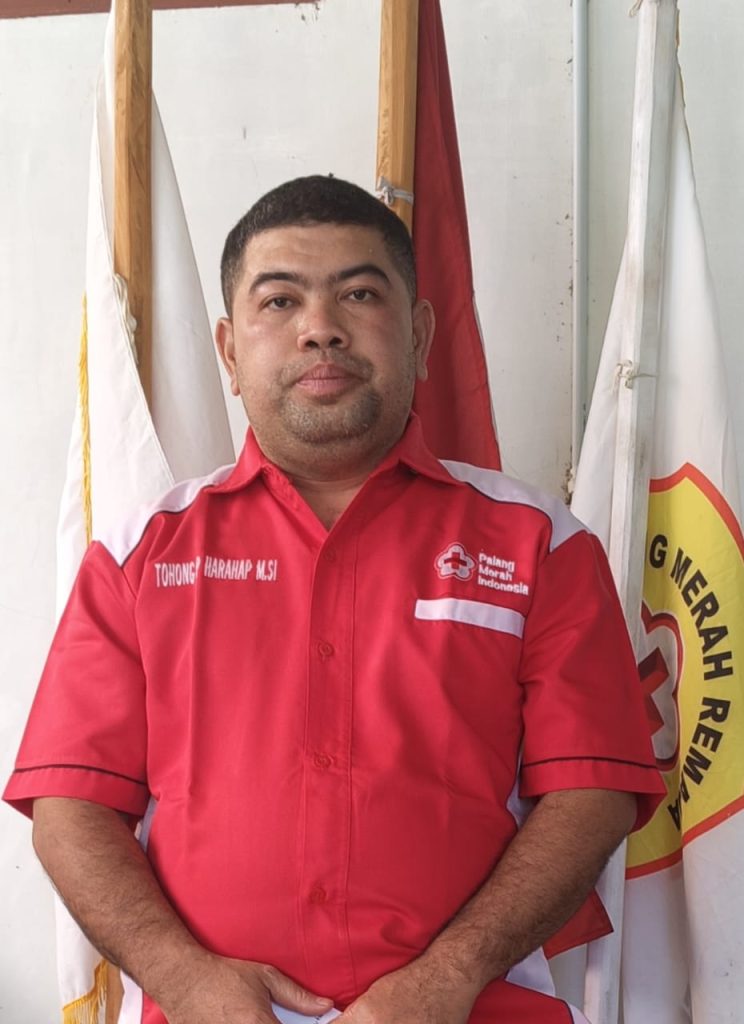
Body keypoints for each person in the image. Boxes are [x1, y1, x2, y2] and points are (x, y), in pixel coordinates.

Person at [4, 175, 663, 1024]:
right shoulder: (140, 557)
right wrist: (187, 980)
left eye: (359, 293)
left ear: (419, 336)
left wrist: (448, 977)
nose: (321, 327)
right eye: (279, 301)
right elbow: (71, 809)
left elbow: (592, 792)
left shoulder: (540, 544)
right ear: (228, 353)